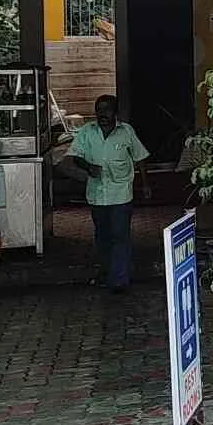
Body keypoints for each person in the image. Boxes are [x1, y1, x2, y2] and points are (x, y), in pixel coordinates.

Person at [64, 95, 150, 292]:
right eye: (99, 110)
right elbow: (75, 156)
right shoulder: (87, 132)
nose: (102, 114)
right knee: (102, 237)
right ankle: (106, 273)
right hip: (97, 195)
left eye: (107, 110)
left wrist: (145, 185)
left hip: (121, 194)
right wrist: (88, 166)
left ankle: (119, 280)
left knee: (120, 236)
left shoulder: (126, 132)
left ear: (115, 112)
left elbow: (140, 158)